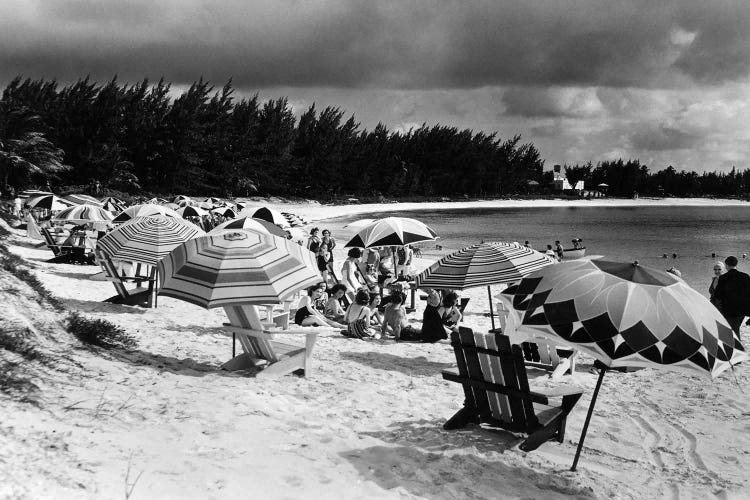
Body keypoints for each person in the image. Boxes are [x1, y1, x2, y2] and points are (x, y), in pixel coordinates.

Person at [712, 255, 750, 338]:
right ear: (737, 264)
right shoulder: (745, 276)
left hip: (729, 311)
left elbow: (718, 295)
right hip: (742, 311)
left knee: (734, 334)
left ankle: (738, 349)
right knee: (735, 330)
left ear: (726, 265)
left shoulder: (723, 278)